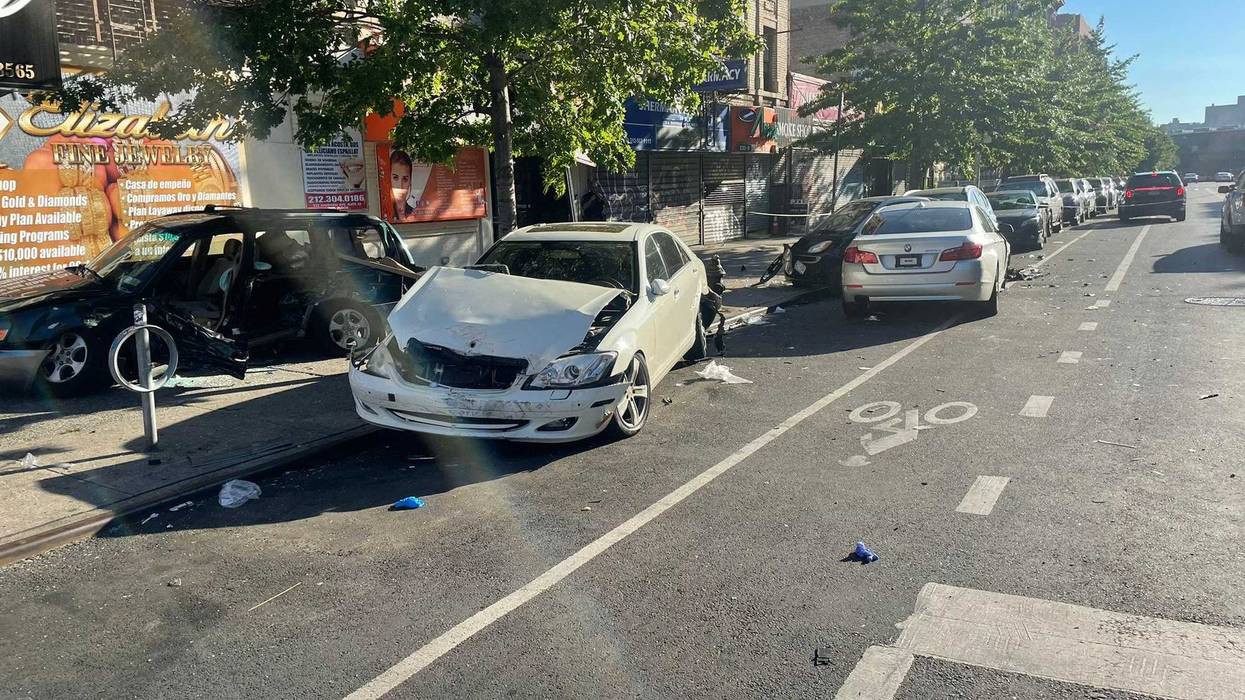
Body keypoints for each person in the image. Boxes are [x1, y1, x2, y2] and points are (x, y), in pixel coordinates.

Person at [389, 149, 413, 221]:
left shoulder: (414, 212)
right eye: (395, 178)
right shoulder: (385, 212)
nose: (400, 186)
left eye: (405, 179)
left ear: (410, 181)